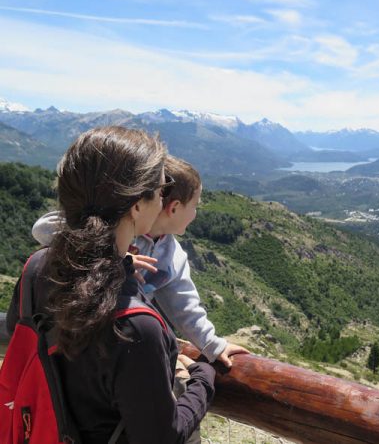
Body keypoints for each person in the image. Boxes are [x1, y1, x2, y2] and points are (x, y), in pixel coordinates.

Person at [8, 126, 215, 444]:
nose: (163, 200)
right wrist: (205, 377)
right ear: (136, 205)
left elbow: (17, 331)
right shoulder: (136, 327)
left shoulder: (37, 268)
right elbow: (162, 436)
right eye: (161, 190)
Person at [32, 155, 248, 367]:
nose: (196, 214)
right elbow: (42, 228)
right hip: (73, 336)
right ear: (174, 208)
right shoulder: (118, 225)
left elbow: (185, 306)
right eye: (195, 206)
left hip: (115, 347)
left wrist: (213, 344)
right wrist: (113, 255)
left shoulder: (173, 256)